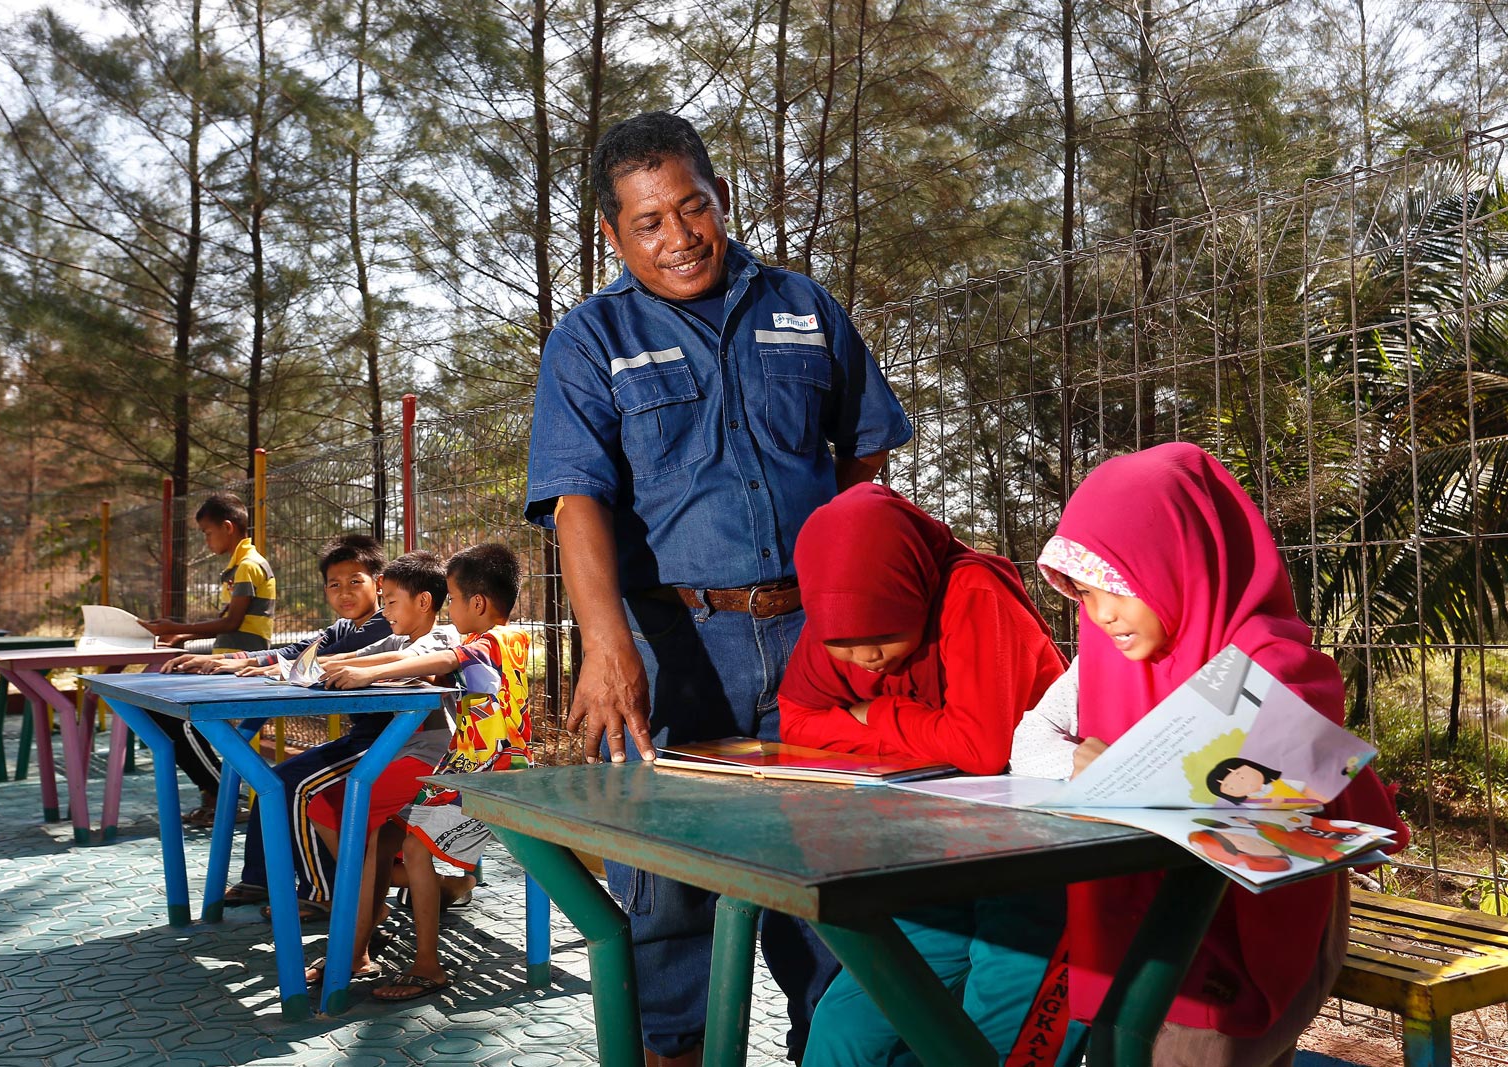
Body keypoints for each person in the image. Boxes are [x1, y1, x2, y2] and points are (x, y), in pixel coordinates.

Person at [524, 110, 912, 1064]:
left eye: (693, 206)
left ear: (721, 197)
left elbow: (866, 452)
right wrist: (609, 646)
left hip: (813, 641)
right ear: (612, 235)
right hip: (674, 647)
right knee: (670, 892)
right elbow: (576, 503)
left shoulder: (803, 306)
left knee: (831, 877)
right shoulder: (590, 340)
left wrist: (847, 587)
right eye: (648, 221)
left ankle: (833, 1047)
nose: (680, 236)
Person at [1010, 441, 1407, 1067]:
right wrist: (1081, 765)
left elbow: (1257, 804)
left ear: (1181, 563)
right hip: (1137, 930)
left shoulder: (1271, 663)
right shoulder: (1107, 657)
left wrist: (1127, 772)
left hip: (1241, 941)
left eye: (1121, 587)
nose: (1103, 615)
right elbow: (1028, 741)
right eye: (1084, 593)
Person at [777, 483, 1085, 1067]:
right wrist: (924, 726)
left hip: (1033, 852)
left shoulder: (973, 592)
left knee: (1005, 1016)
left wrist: (875, 713)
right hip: (931, 852)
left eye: (884, 635)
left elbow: (981, 748)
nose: (868, 659)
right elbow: (795, 722)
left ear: (915, 590)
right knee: (845, 1028)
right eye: (843, 644)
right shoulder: (837, 612)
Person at [308, 543, 531, 1001]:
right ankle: (404, 953)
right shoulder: (483, 644)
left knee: (400, 841)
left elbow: (445, 661)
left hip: (488, 773)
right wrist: (347, 665)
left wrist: (367, 675)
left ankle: (425, 956)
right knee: (397, 842)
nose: (450, 607)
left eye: (454, 598)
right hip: (467, 766)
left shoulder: (498, 640)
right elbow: (425, 666)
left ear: (478, 603)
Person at [160, 535, 396, 919]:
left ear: (379, 583)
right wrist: (231, 661)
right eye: (334, 584)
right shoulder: (344, 628)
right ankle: (261, 878)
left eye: (356, 581)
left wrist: (256, 666)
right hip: (361, 739)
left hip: (388, 744)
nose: (345, 592)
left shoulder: (385, 627)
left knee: (289, 784)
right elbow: (293, 652)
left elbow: (311, 663)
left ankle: (323, 893)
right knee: (271, 780)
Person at [138, 492, 277, 828]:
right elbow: (228, 621)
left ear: (228, 527)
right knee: (156, 707)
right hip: (225, 657)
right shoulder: (238, 567)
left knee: (185, 719)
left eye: (207, 533)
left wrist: (177, 628)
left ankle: (223, 794)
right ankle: (213, 793)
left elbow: (232, 624)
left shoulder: (249, 566)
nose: (206, 540)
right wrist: (182, 637)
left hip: (243, 663)